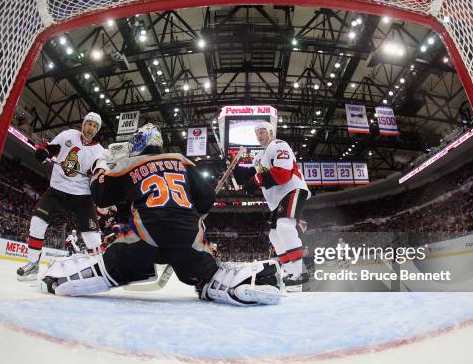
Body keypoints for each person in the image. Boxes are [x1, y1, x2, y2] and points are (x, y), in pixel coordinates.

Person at [39, 123, 282, 306]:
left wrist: (103, 166)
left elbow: (100, 196)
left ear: (139, 143)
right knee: (207, 274)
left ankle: (61, 279)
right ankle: (245, 281)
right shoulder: (182, 161)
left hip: (144, 236)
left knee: (111, 265)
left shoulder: (130, 163)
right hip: (188, 236)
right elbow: (207, 198)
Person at [16, 112, 106, 281]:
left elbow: (100, 170)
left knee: (93, 238)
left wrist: (98, 174)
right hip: (57, 190)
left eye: (94, 126)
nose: (90, 128)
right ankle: (33, 264)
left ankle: (100, 271)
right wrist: (42, 152)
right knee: (37, 222)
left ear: (97, 130)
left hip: (82, 197)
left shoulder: (99, 151)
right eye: (89, 124)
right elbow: (48, 148)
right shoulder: (68, 135)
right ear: (83, 124)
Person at [233, 121, 311, 286]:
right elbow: (250, 175)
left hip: (292, 190)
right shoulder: (260, 157)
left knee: (284, 226)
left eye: (262, 132)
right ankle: (292, 274)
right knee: (274, 235)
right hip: (278, 199)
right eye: (257, 134)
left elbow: (283, 173)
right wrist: (234, 168)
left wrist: (254, 181)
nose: (259, 136)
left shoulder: (278, 145)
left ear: (271, 132)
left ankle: (301, 272)